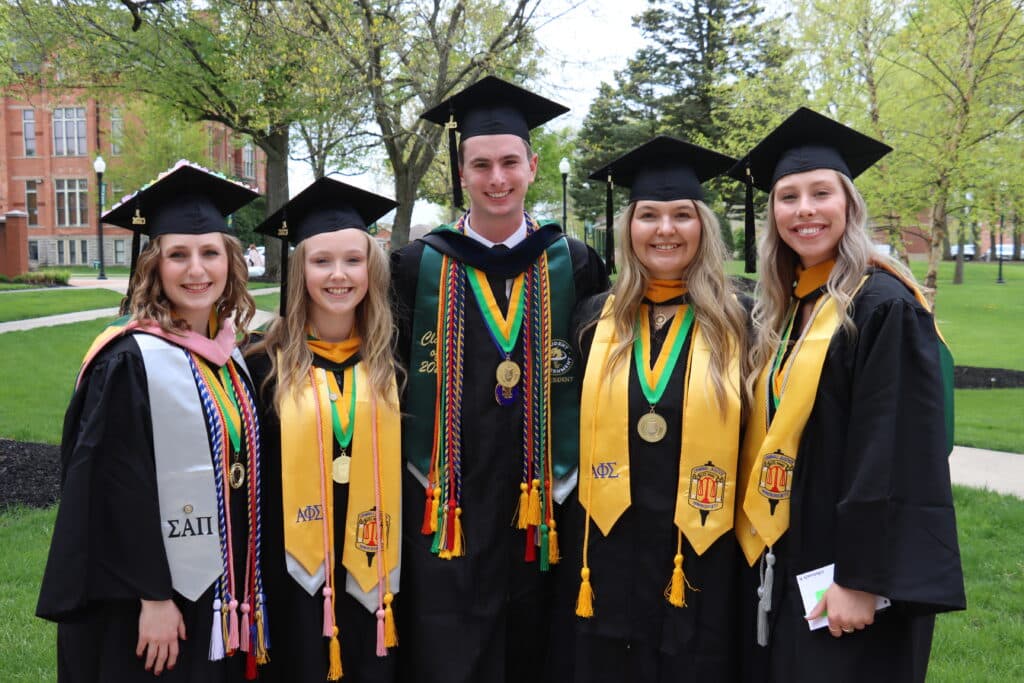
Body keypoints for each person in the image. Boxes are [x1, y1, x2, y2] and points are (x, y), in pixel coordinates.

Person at [729, 108, 966, 682]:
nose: (804, 210)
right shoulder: (788, 309)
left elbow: (897, 453)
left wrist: (862, 578)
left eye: (820, 193)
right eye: (788, 197)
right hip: (788, 549)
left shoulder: (883, 305)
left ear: (848, 205)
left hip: (848, 571)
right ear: (772, 214)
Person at [390, 76, 609, 683]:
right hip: (446, 502)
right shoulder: (415, 265)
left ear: (533, 166)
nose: (496, 179)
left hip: (548, 505)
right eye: (481, 165)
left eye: (510, 162)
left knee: (542, 646)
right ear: (462, 173)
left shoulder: (575, 261)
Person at [36, 161, 269, 682]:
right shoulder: (129, 360)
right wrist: (155, 597)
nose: (196, 270)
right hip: (153, 599)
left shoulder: (231, 358)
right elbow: (115, 485)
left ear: (231, 263)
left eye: (210, 253)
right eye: (178, 255)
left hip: (221, 587)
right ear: (153, 267)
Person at [551, 136, 747, 682]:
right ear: (628, 227)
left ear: (703, 227)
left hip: (703, 546)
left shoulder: (743, 323)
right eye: (649, 215)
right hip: (604, 549)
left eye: (682, 215)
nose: (665, 229)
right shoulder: (592, 320)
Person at [246, 177, 402, 683]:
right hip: (291, 567)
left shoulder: (395, 365)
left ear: (372, 269)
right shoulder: (260, 365)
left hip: (376, 568)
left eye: (353, 261)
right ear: (299, 270)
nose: (339, 275)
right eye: (321, 261)